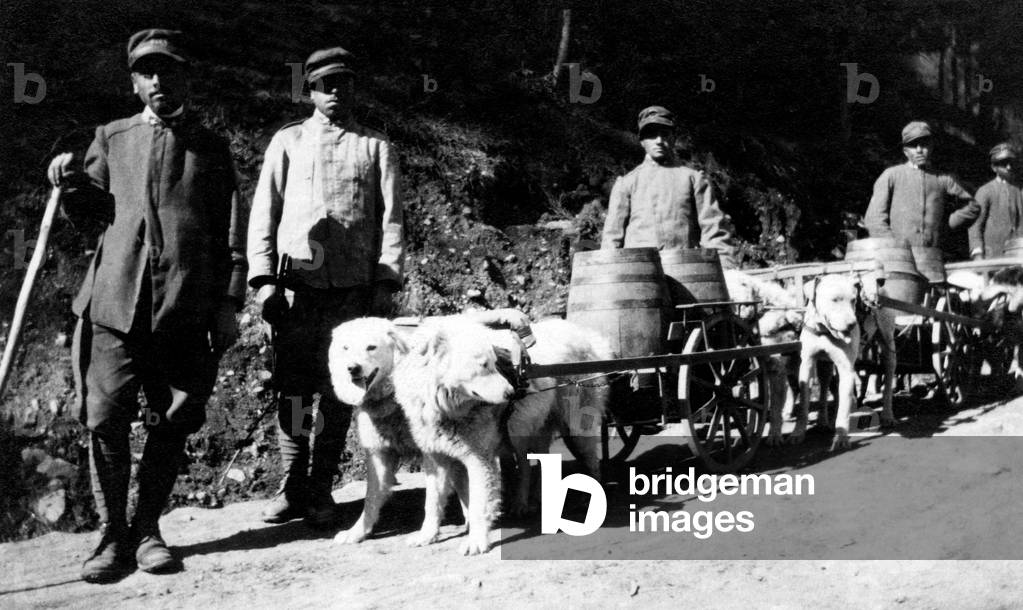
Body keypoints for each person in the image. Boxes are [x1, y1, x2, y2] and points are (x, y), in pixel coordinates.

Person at [46, 29, 246, 583]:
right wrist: (66, 182)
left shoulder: (210, 147)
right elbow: (88, 214)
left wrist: (229, 301)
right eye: (146, 72)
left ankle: (149, 528)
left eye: (168, 70)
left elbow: (232, 232)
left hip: (183, 310)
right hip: (113, 306)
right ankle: (112, 535)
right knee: (106, 417)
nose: (158, 80)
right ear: (134, 82)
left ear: (186, 77)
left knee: (174, 417)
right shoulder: (111, 138)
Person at [247, 46, 404, 527]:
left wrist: (385, 280)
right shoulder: (288, 142)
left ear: (354, 88)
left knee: (342, 393)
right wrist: (263, 281)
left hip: (353, 295)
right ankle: (292, 484)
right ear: (310, 90)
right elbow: (263, 214)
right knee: (294, 393)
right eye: (324, 85)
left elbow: (392, 221)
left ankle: (322, 489)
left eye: (343, 84)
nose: (334, 92)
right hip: (298, 292)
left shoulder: (376, 146)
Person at [601, 105, 736, 268]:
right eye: (651, 135)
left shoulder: (693, 179)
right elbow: (611, 239)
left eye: (664, 134)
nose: (659, 140)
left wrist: (725, 268)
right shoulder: (627, 183)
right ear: (642, 141)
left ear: (673, 138)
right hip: (639, 274)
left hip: (685, 270)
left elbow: (713, 230)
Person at [863, 121, 978, 248]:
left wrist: (946, 226)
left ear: (931, 147)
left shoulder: (942, 179)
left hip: (933, 255)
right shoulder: (892, 175)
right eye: (913, 146)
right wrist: (892, 245)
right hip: (900, 257)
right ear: (905, 151)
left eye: (924, 145)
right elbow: (874, 218)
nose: (919, 150)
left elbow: (972, 206)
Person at [968, 143, 1023, 259]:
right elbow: (975, 225)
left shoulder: (1018, 190)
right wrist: (978, 253)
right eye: (1003, 164)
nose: (1008, 167)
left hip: (1016, 254)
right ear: (994, 167)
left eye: (1010, 163)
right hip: (993, 255)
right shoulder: (985, 191)